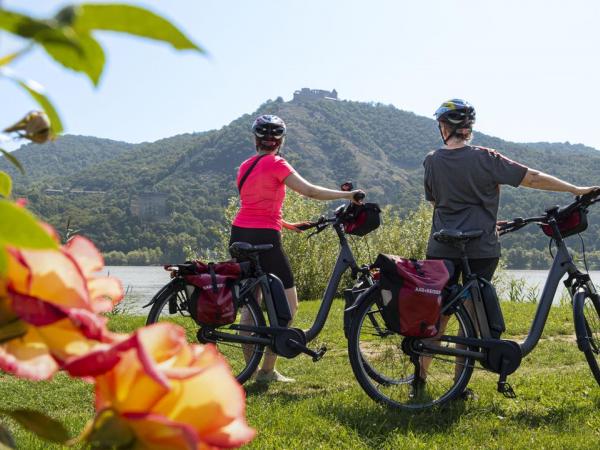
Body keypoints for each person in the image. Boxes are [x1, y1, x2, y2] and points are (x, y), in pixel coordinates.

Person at [421, 98, 598, 398]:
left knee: (439, 314)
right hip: (480, 248)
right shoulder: (486, 158)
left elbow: (436, 202)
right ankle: (458, 386)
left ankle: (420, 379)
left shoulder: (432, 160)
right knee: (472, 315)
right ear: (468, 129)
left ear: (443, 128)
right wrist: (575, 189)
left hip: (442, 245)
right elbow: (532, 177)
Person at [231, 114, 363, 383]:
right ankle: (267, 371)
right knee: (289, 306)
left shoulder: (245, 165)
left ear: (255, 139)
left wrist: (288, 224)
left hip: (240, 234)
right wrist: (348, 195)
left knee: (251, 301)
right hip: (266, 240)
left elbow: (256, 206)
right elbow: (310, 191)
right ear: (280, 141)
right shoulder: (277, 163)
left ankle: (251, 369)